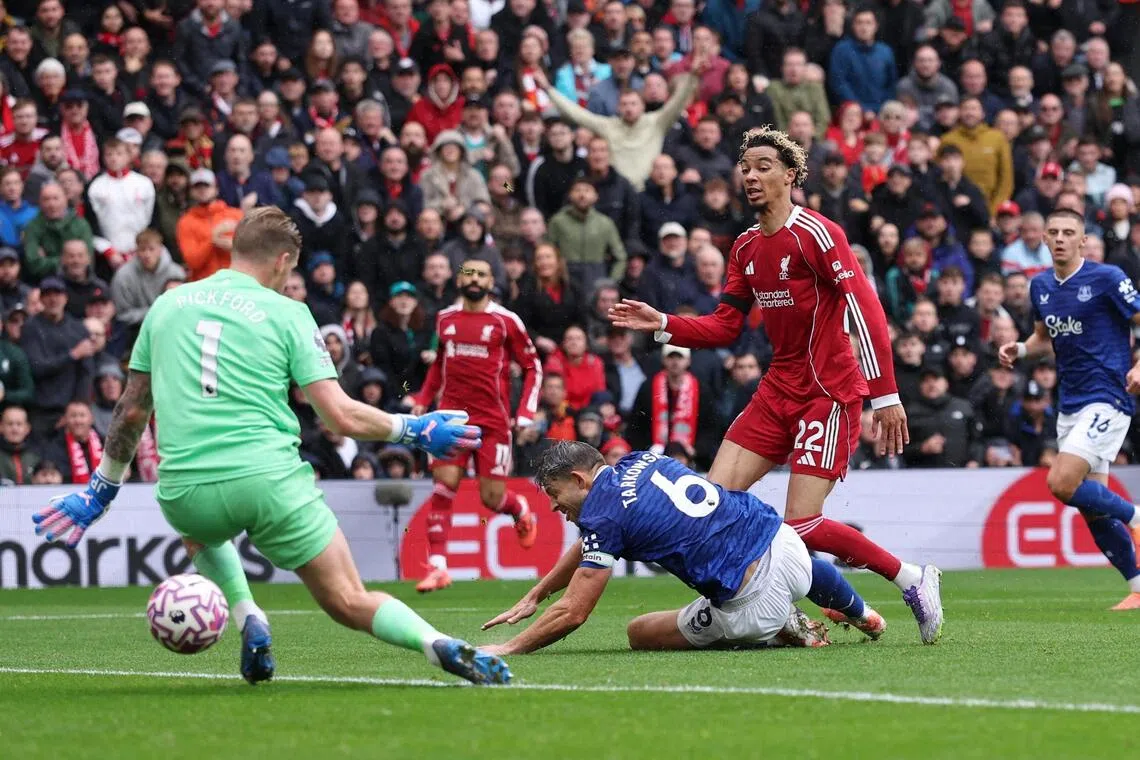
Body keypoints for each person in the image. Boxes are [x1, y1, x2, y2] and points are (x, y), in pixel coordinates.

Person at [32, 207, 510, 686]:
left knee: (201, 534)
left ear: (235, 248)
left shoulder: (166, 305)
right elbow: (338, 415)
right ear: (283, 261)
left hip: (187, 491)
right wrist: (414, 429)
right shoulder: (288, 313)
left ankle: (248, 615)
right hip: (270, 483)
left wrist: (100, 491)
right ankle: (436, 643)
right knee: (349, 599)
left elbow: (132, 411)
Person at [610, 126, 943, 643]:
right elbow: (726, 325)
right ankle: (771, 604)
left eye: (763, 166)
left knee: (802, 523)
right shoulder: (744, 246)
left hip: (827, 393)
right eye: (745, 168)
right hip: (776, 390)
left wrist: (885, 394)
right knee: (710, 505)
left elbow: (865, 309)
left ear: (790, 175)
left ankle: (911, 578)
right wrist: (665, 323)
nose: (751, 176)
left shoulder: (817, 234)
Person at [480, 442, 885, 654]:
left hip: (751, 606)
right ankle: (864, 614)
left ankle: (781, 629)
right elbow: (592, 540)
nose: (555, 506)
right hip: (785, 543)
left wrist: (510, 647)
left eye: (555, 494)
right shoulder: (640, 459)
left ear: (578, 479)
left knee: (639, 633)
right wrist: (538, 593)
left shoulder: (604, 517)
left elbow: (574, 612)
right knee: (794, 565)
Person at [998, 208, 1140, 611]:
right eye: (1054, 232)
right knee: (1092, 507)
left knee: (1061, 482)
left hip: (1108, 397)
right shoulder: (1041, 285)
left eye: (1068, 232)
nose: (1060, 238)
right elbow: (1044, 337)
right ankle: (1138, 588)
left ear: (1083, 240)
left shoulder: (1107, 278)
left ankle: (1135, 517)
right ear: (1044, 238)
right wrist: (1021, 348)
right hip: (1071, 404)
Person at [411, 258, 543, 592]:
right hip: (451, 418)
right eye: (468, 273)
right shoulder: (445, 318)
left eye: (481, 274)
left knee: (491, 498)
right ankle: (438, 566)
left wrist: (525, 412)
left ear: (491, 281)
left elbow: (533, 366)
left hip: (493, 421)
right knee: (444, 486)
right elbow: (438, 363)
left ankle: (519, 508)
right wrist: (423, 398)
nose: (474, 279)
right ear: (458, 280)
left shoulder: (506, 321)